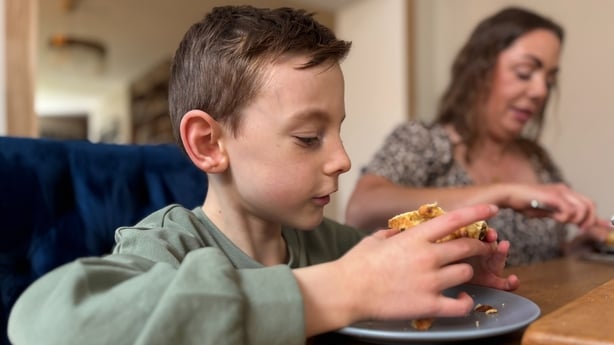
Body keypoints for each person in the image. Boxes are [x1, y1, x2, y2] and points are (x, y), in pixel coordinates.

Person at [8, 5, 519, 345]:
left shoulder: (331, 242)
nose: (342, 159)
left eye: (337, 131)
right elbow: (46, 324)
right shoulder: (165, 247)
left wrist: (446, 276)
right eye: (306, 138)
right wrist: (340, 289)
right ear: (209, 144)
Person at [345, 6, 612, 266]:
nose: (540, 91)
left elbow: (532, 257)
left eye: (549, 80)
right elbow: (360, 210)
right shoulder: (424, 141)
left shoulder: (537, 158)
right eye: (525, 72)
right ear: (479, 70)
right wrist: (503, 193)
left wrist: (573, 249)